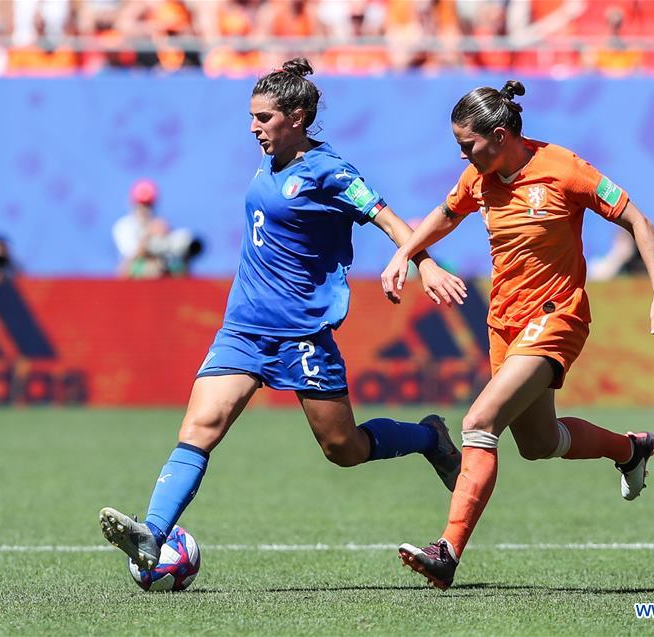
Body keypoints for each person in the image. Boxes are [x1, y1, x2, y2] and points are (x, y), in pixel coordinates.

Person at [99, 57, 468, 571]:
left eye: (264, 119)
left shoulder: (330, 172)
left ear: (296, 117)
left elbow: (386, 217)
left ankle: (430, 438)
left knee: (344, 448)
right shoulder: (272, 157)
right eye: (251, 117)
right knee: (200, 426)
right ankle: (152, 534)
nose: (254, 128)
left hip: (302, 335)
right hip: (244, 327)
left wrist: (420, 261)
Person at [382, 81, 654, 590]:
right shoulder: (479, 175)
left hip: (557, 317)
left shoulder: (565, 169)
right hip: (503, 324)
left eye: (467, 145)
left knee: (480, 421)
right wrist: (406, 255)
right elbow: (445, 214)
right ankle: (630, 450)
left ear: (499, 135)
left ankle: (447, 551)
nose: (462, 154)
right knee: (539, 443)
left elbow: (637, 219)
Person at [112, 179, 203, 278]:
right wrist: (149, 235)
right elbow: (128, 260)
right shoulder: (125, 226)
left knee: (178, 267)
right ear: (133, 203)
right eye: (142, 204)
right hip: (135, 270)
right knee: (151, 269)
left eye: (148, 204)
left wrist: (169, 239)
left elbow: (172, 251)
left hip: (162, 265)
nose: (145, 209)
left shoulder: (160, 224)